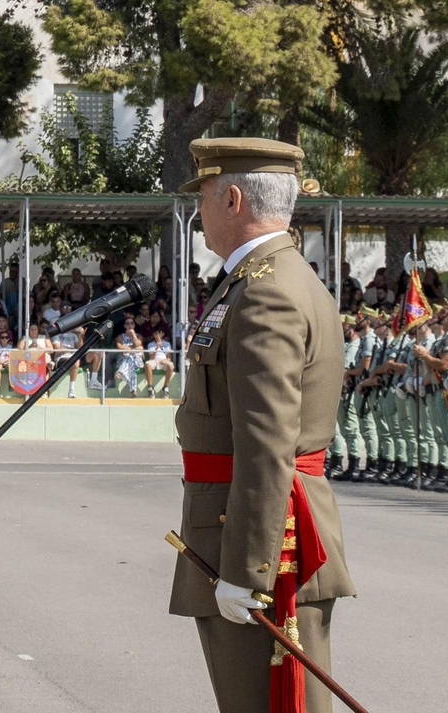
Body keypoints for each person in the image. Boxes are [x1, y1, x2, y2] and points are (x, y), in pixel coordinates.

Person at [170, 137, 352, 713]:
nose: (198, 212)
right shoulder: (269, 278)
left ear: (232, 199)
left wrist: (246, 569)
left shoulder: (264, 292)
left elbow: (267, 444)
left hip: (261, 542)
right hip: (261, 531)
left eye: (202, 196)